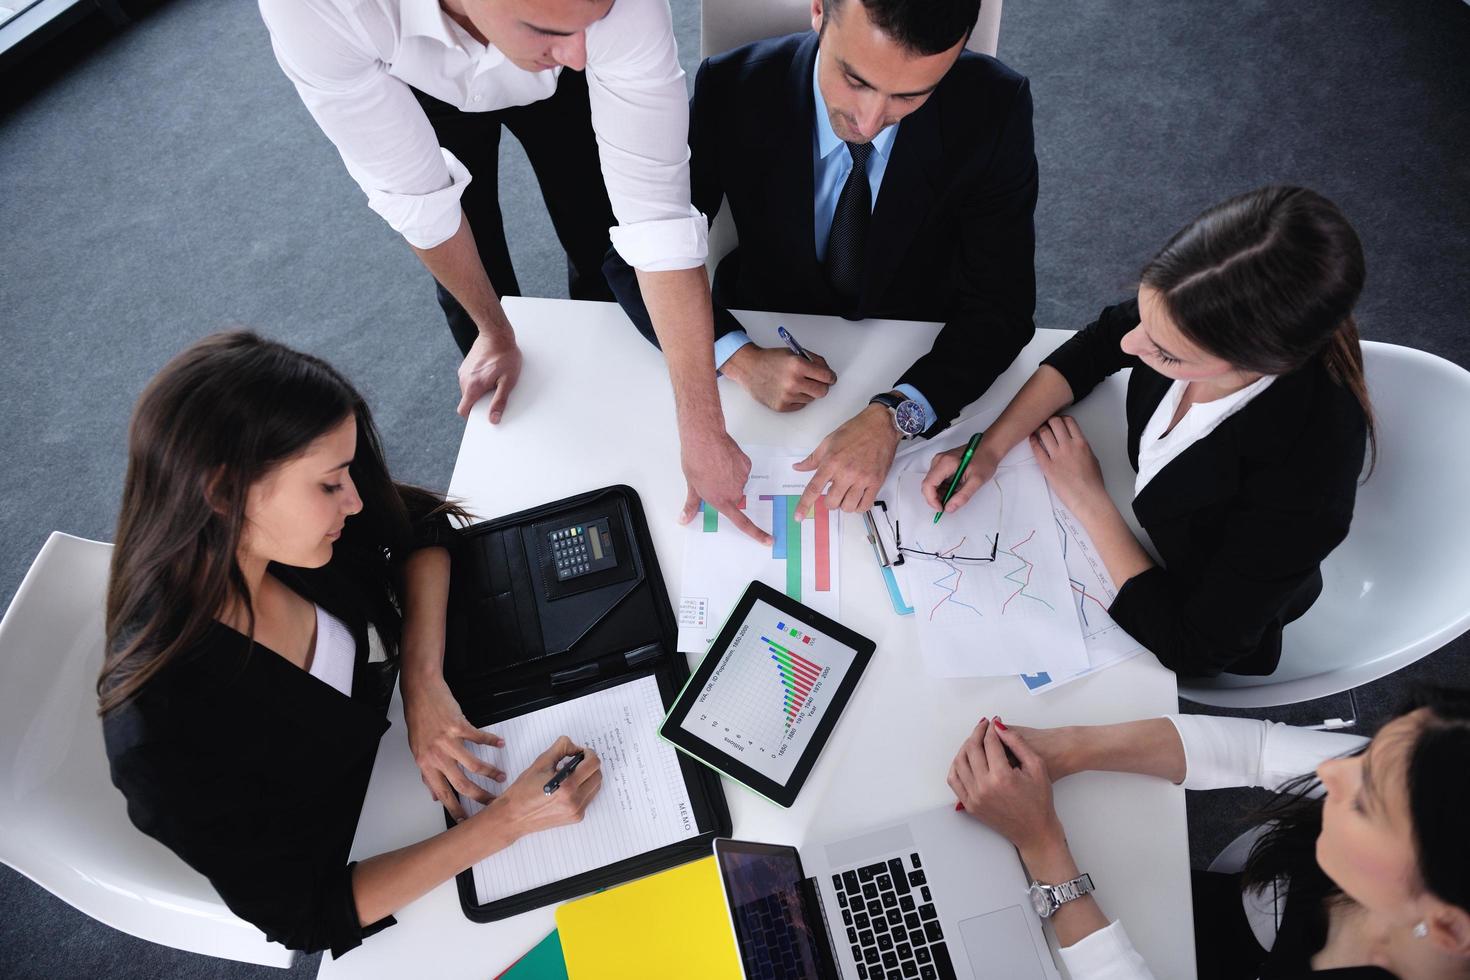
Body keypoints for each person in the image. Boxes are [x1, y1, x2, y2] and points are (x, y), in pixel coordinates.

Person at [99, 333, 603, 956]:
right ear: (225, 493)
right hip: (380, 845)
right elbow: (308, 915)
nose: (356, 499)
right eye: (330, 484)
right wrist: (511, 822)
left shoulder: (287, 537)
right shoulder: (162, 738)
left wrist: (422, 685)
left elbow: (419, 526)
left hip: (415, 751)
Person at [257, 0, 768, 545]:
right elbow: (419, 201)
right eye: (548, 29)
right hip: (413, 79)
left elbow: (658, 223)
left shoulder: (604, 22)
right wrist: (493, 329)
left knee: (600, 238)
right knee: (474, 285)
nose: (576, 55)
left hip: (563, 93)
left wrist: (702, 428)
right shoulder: (317, 9)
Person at [603, 0, 1037, 519]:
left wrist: (898, 414)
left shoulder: (995, 106)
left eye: (909, 95)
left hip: (915, 339)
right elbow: (637, 256)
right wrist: (738, 358)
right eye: (855, 80)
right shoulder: (732, 86)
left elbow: (1001, 308)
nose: (870, 120)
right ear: (817, 10)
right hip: (766, 321)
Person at [923, 186, 1373, 677]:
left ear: (1254, 361)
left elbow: (1195, 653)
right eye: (1145, 311)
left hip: (1193, 595)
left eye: (1166, 353)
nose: (1133, 344)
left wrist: (1088, 499)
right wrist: (989, 447)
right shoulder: (1193, 302)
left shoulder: (1305, 480)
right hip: (1152, 523)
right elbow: (1095, 346)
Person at [946, 692, 1470, 979]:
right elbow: (1259, 752)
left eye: (1364, 800)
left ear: (1446, 927)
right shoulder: (1439, 786)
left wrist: (1043, 847)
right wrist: (1072, 748)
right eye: (1366, 755)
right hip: (1224, 914)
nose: (1330, 774)